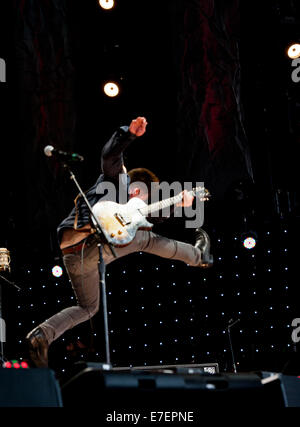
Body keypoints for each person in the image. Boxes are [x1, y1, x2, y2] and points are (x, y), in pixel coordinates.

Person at [26, 117, 213, 367]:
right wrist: (128, 135)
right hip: (90, 235)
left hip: (73, 253)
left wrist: (178, 202)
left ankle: (41, 335)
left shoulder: (131, 212)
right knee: (147, 238)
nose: (146, 203)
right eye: (147, 196)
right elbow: (109, 157)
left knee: (88, 308)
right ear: (137, 190)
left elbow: (153, 214)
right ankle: (198, 256)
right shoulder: (117, 181)